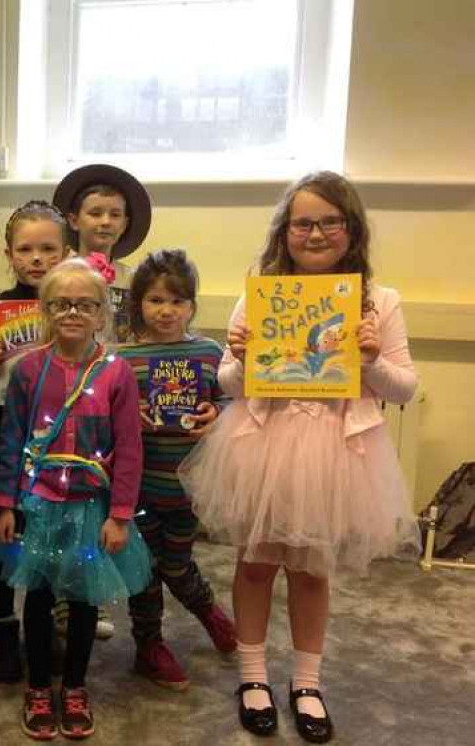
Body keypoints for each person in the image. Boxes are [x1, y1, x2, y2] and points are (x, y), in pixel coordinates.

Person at [178, 172, 419, 743]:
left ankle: (307, 682)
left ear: (350, 228)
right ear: (285, 232)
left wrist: (367, 360)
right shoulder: (261, 291)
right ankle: (254, 675)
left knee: (313, 569)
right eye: (303, 222)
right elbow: (230, 384)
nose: (316, 233)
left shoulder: (379, 302)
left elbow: (405, 388)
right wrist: (240, 357)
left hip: (338, 447)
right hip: (266, 440)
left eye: (330, 221)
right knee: (257, 562)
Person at [0, 258, 152, 741]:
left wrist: (121, 514)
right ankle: (39, 685)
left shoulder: (117, 372)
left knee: (84, 600)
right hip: (38, 505)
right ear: (45, 310)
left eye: (85, 305)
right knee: (38, 597)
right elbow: (10, 439)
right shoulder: (28, 371)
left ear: (102, 313)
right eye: (61, 304)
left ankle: (76, 685)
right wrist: (4, 503)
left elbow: (129, 448)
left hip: (91, 508)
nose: (72, 314)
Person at [118, 249, 236, 692]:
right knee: (143, 571)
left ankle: (207, 610)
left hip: (189, 487)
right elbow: (103, 418)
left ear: (192, 305)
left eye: (177, 301)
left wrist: (217, 413)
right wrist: (129, 413)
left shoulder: (209, 352)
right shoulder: (122, 358)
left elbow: (231, 399)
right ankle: (148, 646)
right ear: (138, 304)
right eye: (155, 300)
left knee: (178, 564)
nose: (166, 311)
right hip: (139, 491)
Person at [52, 164, 153, 639]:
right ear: (74, 218)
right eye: (95, 212)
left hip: (114, 399)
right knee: (62, 502)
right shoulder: (58, 273)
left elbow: (140, 339)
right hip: (66, 400)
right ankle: (57, 600)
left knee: (100, 501)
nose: (106, 222)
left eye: (116, 214)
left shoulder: (134, 279)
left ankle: (88, 593)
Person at [0, 200, 69, 683]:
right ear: (9, 254)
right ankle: (3, 623)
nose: (37, 259)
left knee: (51, 524)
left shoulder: (74, 305)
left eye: (48, 248)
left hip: (61, 436)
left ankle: (43, 617)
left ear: (66, 251)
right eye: (26, 249)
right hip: (4, 435)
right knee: (6, 525)